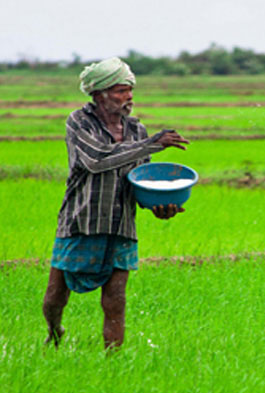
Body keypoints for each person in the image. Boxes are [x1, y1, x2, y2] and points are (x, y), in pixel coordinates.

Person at [42, 57, 190, 350]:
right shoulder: (79, 121)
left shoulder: (137, 130)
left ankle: (113, 364)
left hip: (121, 226)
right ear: (100, 94)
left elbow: (140, 179)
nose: (129, 97)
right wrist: (152, 145)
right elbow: (96, 160)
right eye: (122, 90)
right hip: (80, 222)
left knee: (115, 301)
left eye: (130, 90)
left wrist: (160, 206)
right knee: (54, 297)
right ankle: (55, 330)